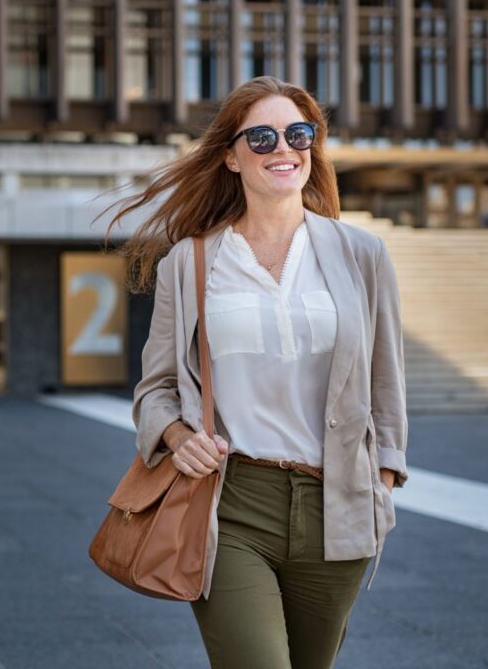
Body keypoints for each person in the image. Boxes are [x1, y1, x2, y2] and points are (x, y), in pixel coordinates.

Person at [106, 76, 409, 668]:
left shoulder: (362, 254)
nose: (283, 149)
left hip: (338, 503)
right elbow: (156, 389)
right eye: (263, 136)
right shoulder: (188, 263)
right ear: (231, 155)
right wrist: (176, 437)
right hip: (231, 502)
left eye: (299, 134)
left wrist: (385, 477)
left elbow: (386, 380)